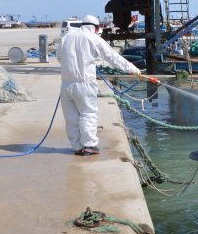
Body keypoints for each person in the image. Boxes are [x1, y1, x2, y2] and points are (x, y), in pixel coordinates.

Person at [57, 14, 142, 156]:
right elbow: (112, 57)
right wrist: (132, 69)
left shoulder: (65, 38)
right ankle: (89, 145)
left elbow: (59, 57)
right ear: (95, 28)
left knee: (71, 118)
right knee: (88, 114)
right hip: (85, 83)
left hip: (66, 84)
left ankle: (77, 147)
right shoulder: (94, 38)